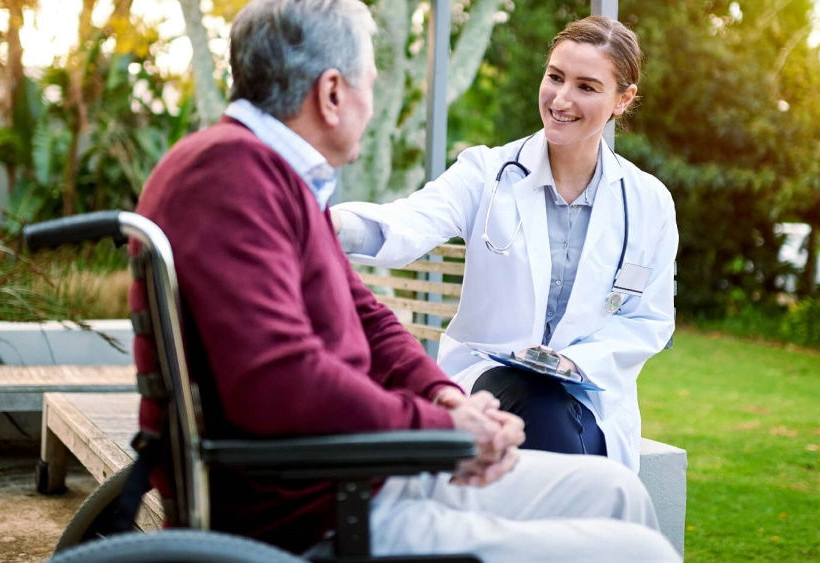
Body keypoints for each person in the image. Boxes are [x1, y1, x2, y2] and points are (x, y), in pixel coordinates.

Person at [135, 0, 679, 560]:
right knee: (646, 551)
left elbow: (366, 317)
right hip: (328, 500)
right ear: (330, 93)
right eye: (369, 84)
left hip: (361, 468)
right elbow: (282, 380)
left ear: (622, 100)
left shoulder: (273, 179)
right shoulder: (232, 179)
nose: (371, 109)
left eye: (586, 86)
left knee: (617, 491)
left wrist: (443, 398)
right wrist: (440, 428)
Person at [332, 15, 677, 470]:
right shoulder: (486, 173)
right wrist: (323, 224)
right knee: (537, 404)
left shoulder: (648, 202)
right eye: (555, 77)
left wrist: (572, 364)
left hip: (589, 397)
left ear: (622, 100)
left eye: (587, 87)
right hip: (491, 384)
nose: (561, 99)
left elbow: (647, 320)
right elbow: (409, 223)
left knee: (551, 409)